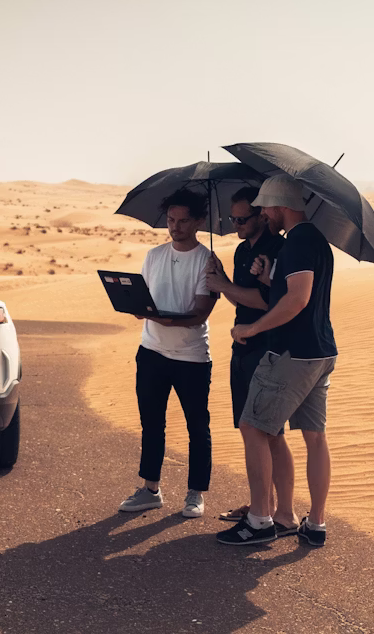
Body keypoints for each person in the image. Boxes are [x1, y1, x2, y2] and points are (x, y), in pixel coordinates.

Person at [215, 174, 337, 547]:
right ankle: (314, 523)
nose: (264, 214)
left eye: (266, 207)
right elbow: (295, 292)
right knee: (315, 437)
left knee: (254, 427)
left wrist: (252, 329)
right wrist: (271, 279)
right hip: (320, 350)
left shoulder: (297, 241)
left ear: (281, 205)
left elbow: (297, 300)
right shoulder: (316, 240)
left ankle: (260, 520)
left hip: (292, 352)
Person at [119, 189, 219, 518]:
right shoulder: (153, 255)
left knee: (197, 426)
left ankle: (195, 494)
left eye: (183, 221)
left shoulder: (208, 261)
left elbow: (200, 314)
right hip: (151, 351)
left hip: (191, 357)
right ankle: (150, 489)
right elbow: (145, 299)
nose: (175, 227)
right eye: (171, 220)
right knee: (151, 423)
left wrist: (166, 318)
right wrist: (137, 307)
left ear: (199, 222)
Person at [204, 187, 296, 536]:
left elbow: (267, 302)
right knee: (252, 432)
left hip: (268, 350)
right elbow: (242, 301)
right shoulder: (243, 250)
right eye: (233, 219)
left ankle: (283, 513)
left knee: (270, 433)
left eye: (242, 219)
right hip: (242, 347)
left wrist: (224, 284)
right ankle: (263, 505)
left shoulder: (278, 249)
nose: (237, 225)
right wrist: (223, 283)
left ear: (261, 215)